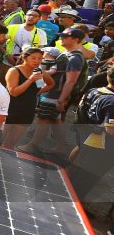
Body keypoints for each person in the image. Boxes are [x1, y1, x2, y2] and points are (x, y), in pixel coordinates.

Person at [21, 28, 87, 157]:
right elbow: (53, 70)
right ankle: (61, 146)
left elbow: (71, 81)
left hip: (56, 94)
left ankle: (31, 145)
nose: (61, 38)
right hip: (52, 92)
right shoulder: (65, 54)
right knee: (54, 119)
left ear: (76, 40)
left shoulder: (75, 58)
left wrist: (61, 100)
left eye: (65, 37)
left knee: (43, 119)